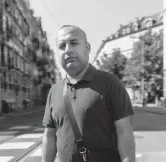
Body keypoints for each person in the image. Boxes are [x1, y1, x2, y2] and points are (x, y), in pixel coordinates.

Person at [42, 25, 135, 162]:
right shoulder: (54, 91)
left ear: (87, 48)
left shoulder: (110, 83)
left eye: (74, 43)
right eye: (62, 46)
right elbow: (49, 136)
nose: (68, 50)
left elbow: (124, 132)